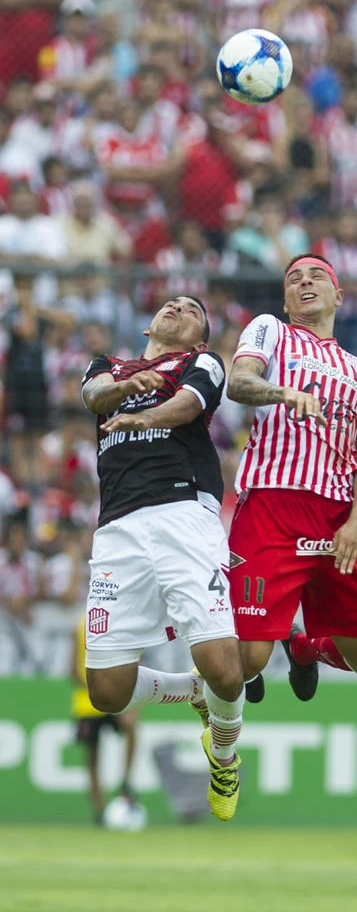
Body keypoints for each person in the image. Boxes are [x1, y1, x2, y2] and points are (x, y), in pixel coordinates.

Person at [81, 295, 245, 821]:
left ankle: (224, 757)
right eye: (171, 304)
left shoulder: (203, 362)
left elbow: (188, 407)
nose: (178, 307)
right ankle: (189, 690)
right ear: (149, 325)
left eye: (192, 309)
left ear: (201, 337)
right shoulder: (109, 366)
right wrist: (124, 390)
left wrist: (141, 416)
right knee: (107, 692)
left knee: (226, 671)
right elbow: (92, 395)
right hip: (118, 530)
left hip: (183, 514)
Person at [225, 254, 357, 704]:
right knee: (247, 662)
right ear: (285, 301)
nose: (305, 282)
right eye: (294, 279)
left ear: (338, 295)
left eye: (317, 275)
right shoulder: (271, 330)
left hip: (338, 516)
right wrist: (283, 393)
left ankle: (303, 648)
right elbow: (238, 383)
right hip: (272, 506)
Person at [70, 614, 138, 825]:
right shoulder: (79, 626)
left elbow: (136, 660)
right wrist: (97, 686)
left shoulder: (121, 620)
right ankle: (99, 808)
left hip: (116, 695)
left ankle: (125, 782)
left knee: (129, 727)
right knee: (92, 755)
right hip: (88, 702)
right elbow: (72, 669)